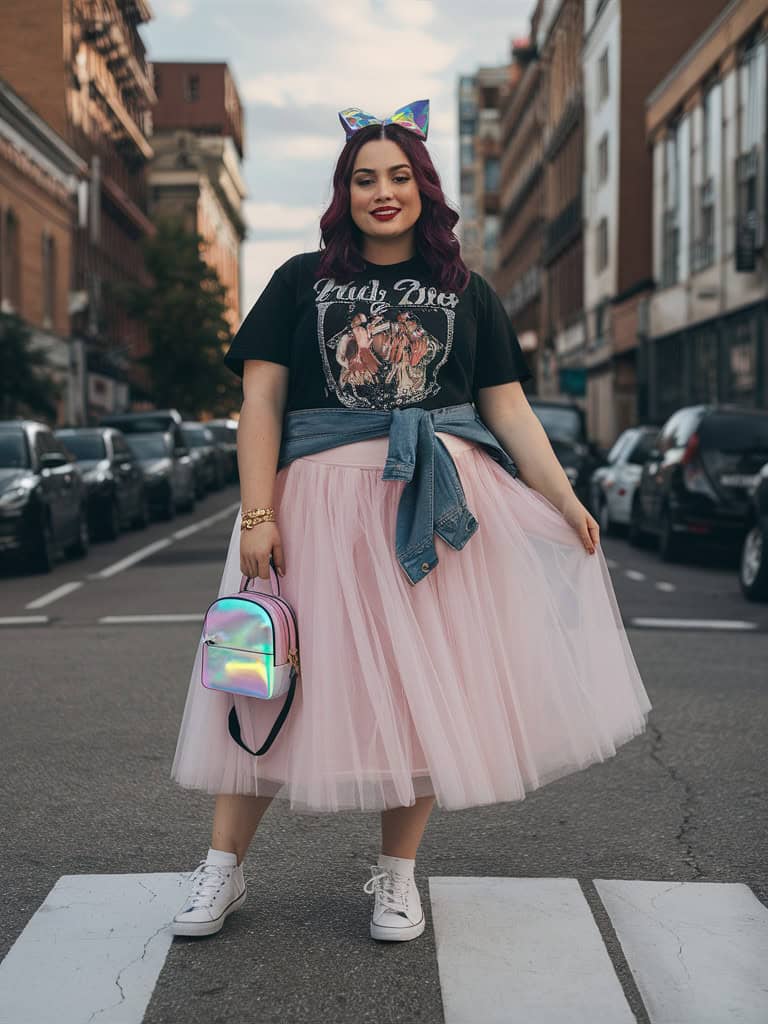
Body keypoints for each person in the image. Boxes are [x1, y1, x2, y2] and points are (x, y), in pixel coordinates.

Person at [170, 99, 652, 942]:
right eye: (365, 179)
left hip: (434, 508)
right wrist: (256, 512)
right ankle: (222, 869)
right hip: (316, 511)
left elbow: (508, 411)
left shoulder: (469, 291)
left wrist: (565, 498)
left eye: (399, 176)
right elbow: (261, 404)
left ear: (425, 188)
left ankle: (396, 877)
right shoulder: (298, 280)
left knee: (420, 692)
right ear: (344, 191)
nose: (383, 192)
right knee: (263, 686)